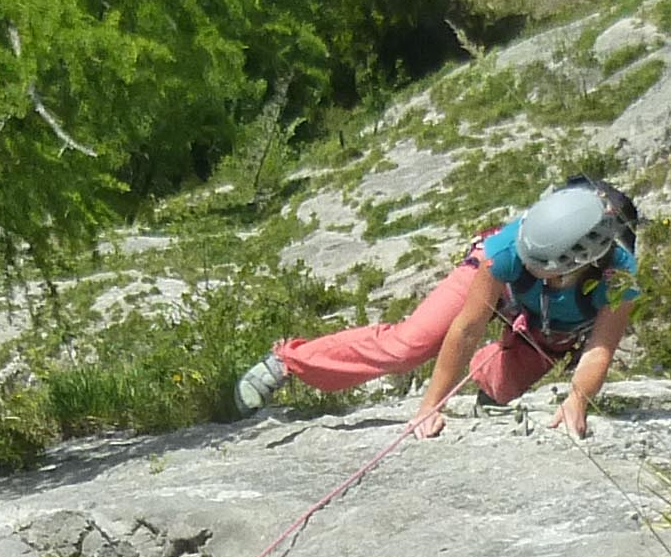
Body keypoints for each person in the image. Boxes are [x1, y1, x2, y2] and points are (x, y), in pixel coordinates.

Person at [237, 178, 643, 438]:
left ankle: (486, 376)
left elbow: (599, 348)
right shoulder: (508, 247)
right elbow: (467, 327)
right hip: (503, 280)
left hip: (558, 321)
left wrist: (577, 398)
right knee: (409, 345)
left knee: (497, 383)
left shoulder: (618, 278)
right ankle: (289, 360)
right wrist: (431, 406)